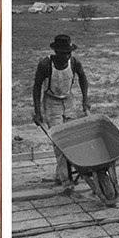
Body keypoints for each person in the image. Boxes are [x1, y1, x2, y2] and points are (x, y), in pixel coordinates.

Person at [32, 34, 90, 184]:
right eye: (64, 53)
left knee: (71, 137)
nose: (67, 56)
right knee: (59, 140)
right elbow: (37, 86)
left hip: (69, 100)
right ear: (56, 52)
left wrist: (85, 100)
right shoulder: (45, 65)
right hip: (51, 102)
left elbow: (83, 78)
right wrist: (38, 112)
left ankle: (64, 174)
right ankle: (65, 178)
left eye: (69, 53)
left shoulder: (75, 62)